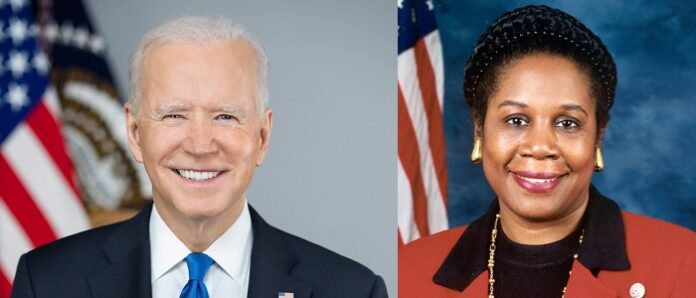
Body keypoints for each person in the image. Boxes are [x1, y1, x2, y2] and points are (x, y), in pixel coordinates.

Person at [11, 16, 387, 298]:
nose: (200, 144)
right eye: (174, 115)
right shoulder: (47, 283)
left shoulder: (352, 290)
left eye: (226, 116)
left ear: (262, 135)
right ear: (136, 133)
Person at [399, 5, 696, 298]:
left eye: (567, 123)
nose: (540, 147)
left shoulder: (684, 264)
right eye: (516, 120)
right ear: (480, 131)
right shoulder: (407, 271)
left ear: (597, 138)